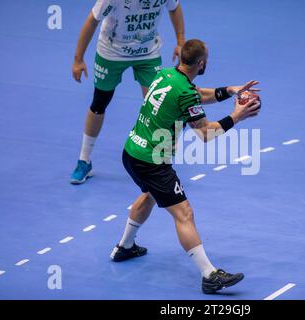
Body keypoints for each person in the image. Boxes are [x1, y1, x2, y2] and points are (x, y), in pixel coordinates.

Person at [110, 39, 261, 294]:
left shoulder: (168, 75)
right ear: (202, 63)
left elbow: (198, 93)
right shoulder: (185, 92)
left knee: (149, 194)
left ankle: (124, 247)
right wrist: (237, 116)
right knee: (184, 214)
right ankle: (209, 275)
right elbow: (205, 133)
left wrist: (231, 90)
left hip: (131, 151)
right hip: (152, 161)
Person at [70, 0, 185, 184]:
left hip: (147, 53)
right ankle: (84, 161)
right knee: (100, 103)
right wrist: (78, 59)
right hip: (111, 53)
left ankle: (160, 162)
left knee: (159, 105)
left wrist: (180, 42)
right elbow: (92, 21)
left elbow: (175, 8)